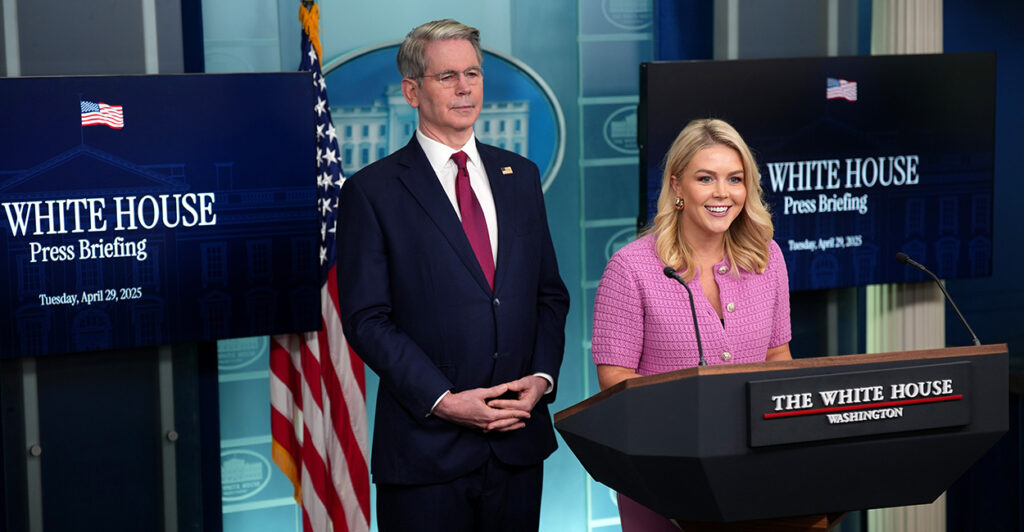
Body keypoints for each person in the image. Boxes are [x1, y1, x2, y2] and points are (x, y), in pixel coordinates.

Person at [336, 19, 570, 532]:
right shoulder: (372, 192)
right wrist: (444, 401)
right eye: (448, 77)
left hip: (516, 441)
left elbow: (548, 295)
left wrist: (541, 378)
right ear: (411, 91)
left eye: (473, 74)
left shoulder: (521, 176)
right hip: (426, 456)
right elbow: (367, 320)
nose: (465, 88)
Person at [591, 118, 792, 531]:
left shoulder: (767, 258)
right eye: (706, 178)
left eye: (735, 179)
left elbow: (778, 357)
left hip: (753, 467)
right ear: (677, 186)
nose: (723, 193)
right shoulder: (631, 268)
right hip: (661, 473)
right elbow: (614, 379)